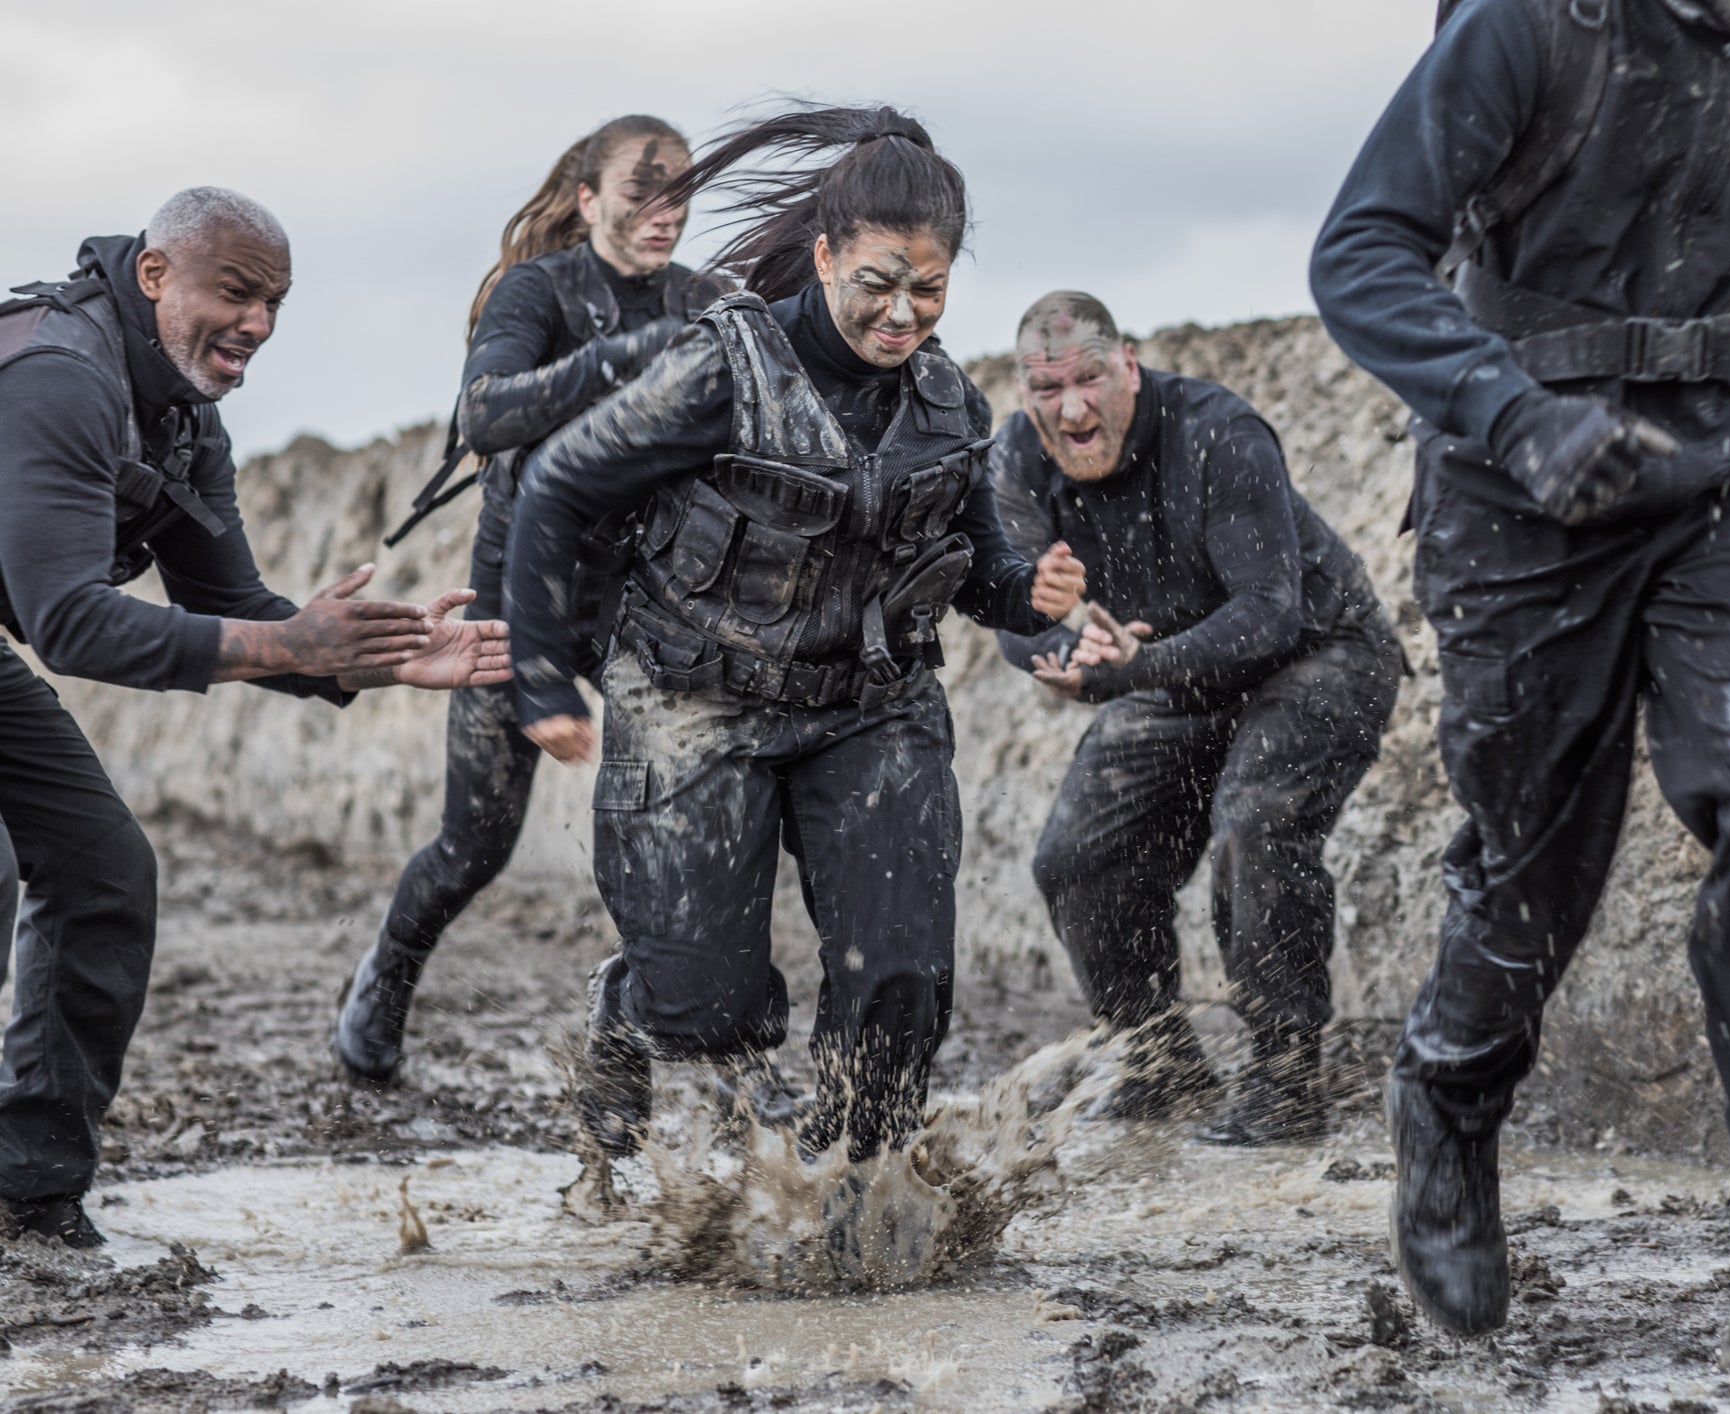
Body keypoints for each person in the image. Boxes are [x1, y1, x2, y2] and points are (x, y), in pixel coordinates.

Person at [1311, 0, 1730, 1379]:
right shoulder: (1531, 26)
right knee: (1535, 861)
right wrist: (1509, 411)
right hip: (1519, 472)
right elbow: (1360, 250)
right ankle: (1449, 1092)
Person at [504, 104, 1087, 1164]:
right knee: (708, 1010)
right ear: (823, 256)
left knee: (900, 980)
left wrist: (1031, 599)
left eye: (930, 288)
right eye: (876, 282)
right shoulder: (720, 370)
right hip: (695, 694)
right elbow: (556, 485)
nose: (902, 313)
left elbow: (980, 569)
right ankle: (631, 1002)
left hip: (871, 709)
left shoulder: (950, 406)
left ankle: (848, 1190)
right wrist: (543, 677)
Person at [0, 188, 511, 1247]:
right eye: (235, 293)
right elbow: (70, 624)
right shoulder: (61, 377)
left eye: (275, 302)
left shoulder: (186, 423)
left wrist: (379, 656)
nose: (258, 325)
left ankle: (28, 1193)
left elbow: (232, 608)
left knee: (103, 870)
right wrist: (287, 645)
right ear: (154, 277)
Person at [333, 115, 727, 1087]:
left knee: (666, 838)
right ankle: (385, 979)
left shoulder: (706, 298)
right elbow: (486, 411)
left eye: (681, 193)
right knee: (474, 844)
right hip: (523, 594)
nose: (664, 212)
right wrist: (620, 362)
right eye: (642, 191)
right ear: (588, 199)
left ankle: (660, 1039)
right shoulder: (537, 290)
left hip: (652, 603)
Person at [993, 292, 1401, 1144]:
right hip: (1177, 673)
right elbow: (1011, 611)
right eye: (1046, 389)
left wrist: (1137, 668)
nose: (1072, 407)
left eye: (1089, 379)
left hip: (1319, 653)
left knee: (1256, 821)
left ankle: (1286, 1078)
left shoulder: (1218, 431)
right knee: (1076, 859)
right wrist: (1064, 659)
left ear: (1127, 366)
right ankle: (1156, 1059)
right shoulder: (1018, 460)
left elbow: (1267, 613)